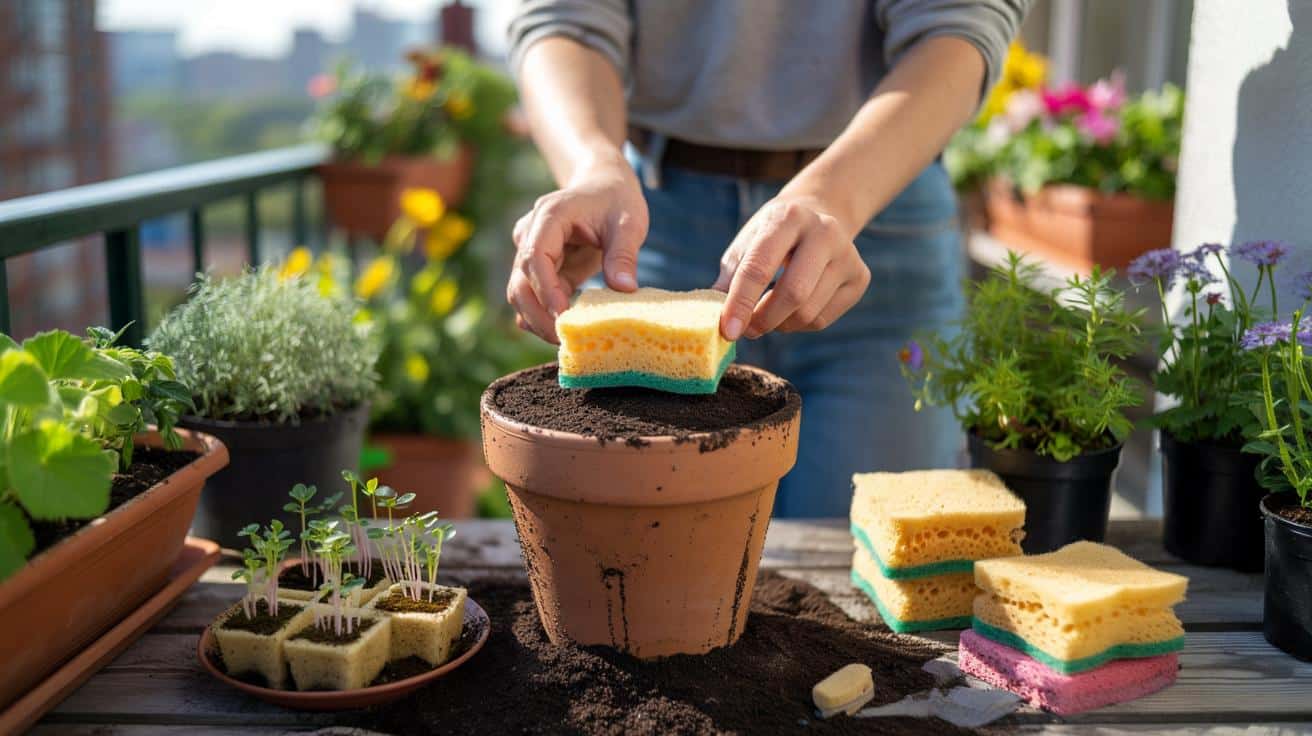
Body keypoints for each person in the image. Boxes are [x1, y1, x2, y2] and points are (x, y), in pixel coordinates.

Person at [505, 1, 1031, 516]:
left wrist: (834, 197)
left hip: (877, 206)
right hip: (656, 220)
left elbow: (961, 24)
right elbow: (565, 19)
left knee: (866, 552)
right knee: (651, 555)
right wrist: (592, 167)